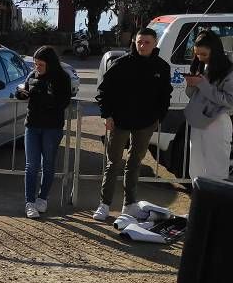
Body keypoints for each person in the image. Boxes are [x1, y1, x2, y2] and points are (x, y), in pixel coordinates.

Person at [93, 27, 172, 221]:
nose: (142, 46)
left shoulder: (162, 67)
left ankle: (129, 205)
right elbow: (103, 91)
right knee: (113, 163)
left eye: (147, 42)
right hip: (119, 122)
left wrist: (158, 118)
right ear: (134, 43)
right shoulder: (120, 64)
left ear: (154, 44)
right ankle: (104, 205)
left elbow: (165, 95)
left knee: (135, 163)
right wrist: (107, 115)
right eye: (139, 42)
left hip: (146, 124)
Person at [15, 46, 72, 218]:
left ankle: (43, 197)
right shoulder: (32, 75)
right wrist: (21, 94)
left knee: (48, 164)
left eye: (40, 64)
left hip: (52, 127)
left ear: (50, 63)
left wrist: (43, 95)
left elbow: (63, 102)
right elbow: (25, 90)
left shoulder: (62, 78)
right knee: (31, 165)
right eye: (35, 64)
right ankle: (29, 202)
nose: (37, 68)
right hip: (32, 125)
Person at [184, 30, 233, 180]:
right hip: (197, 120)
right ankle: (198, 199)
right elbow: (192, 95)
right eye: (197, 54)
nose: (200, 58)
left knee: (217, 168)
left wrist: (202, 84)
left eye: (204, 54)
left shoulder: (229, 71)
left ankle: (215, 201)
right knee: (196, 167)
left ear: (215, 51)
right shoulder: (200, 66)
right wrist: (192, 84)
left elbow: (229, 100)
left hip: (217, 121)